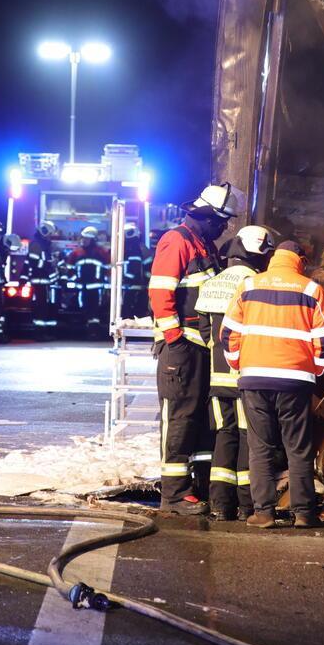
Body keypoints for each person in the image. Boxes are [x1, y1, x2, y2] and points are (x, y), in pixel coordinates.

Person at [223, 239, 324, 529]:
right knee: (297, 448)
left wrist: (239, 363)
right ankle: (304, 513)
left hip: (254, 378)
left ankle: (263, 513)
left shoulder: (249, 285)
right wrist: (315, 370)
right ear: (300, 260)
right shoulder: (311, 289)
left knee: (260, 447)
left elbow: (228, 333)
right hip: (295, 380)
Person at [147, 183, 233, 515]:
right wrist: (174, 338)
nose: (223, 228)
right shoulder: (177, 241)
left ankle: (197, 487)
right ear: (207, 217)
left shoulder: (203, 244)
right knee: (180, 419)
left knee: (199, 420)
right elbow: (161, 291)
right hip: (182, 349)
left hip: (199, 348)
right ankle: (173, 494)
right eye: (221, 222)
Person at [198, 225, 272, 520]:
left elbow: (206, 333)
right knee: (246, 437)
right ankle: (246, 505)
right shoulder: (255, 284)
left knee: (224, 436)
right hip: (245, 378)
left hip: (217, 380)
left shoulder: (212, 283)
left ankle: (220, 504)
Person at [65, 226, 109, 333]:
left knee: (95, 309)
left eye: (86, 238)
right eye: (83, 238)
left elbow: (108, 268)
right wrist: (73, 280)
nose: (83, 240)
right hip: (81, 287)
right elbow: (70, 269)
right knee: (83, 307)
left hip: (96, 287)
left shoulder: (101, 252)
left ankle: (94, 330)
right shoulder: (77, 252)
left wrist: (106, 282)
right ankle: (85, 329)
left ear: (92, 240)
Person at [26, 221, 59, 331]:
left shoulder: (44, 245)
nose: (50, 236)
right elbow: (34, 262)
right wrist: (49, 264)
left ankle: (45, 331)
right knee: (41, 306)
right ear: (44, 232)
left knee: (44, 306)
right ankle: (40, 332)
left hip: (44, 281)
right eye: (49, 234)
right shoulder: (36, 244)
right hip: (39, 281)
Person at [120, 225, 149, 318]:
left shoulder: (133, 248)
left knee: (128, 308)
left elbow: (137, 268)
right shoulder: (141, 248)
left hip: (133, 284)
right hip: (136, 284)